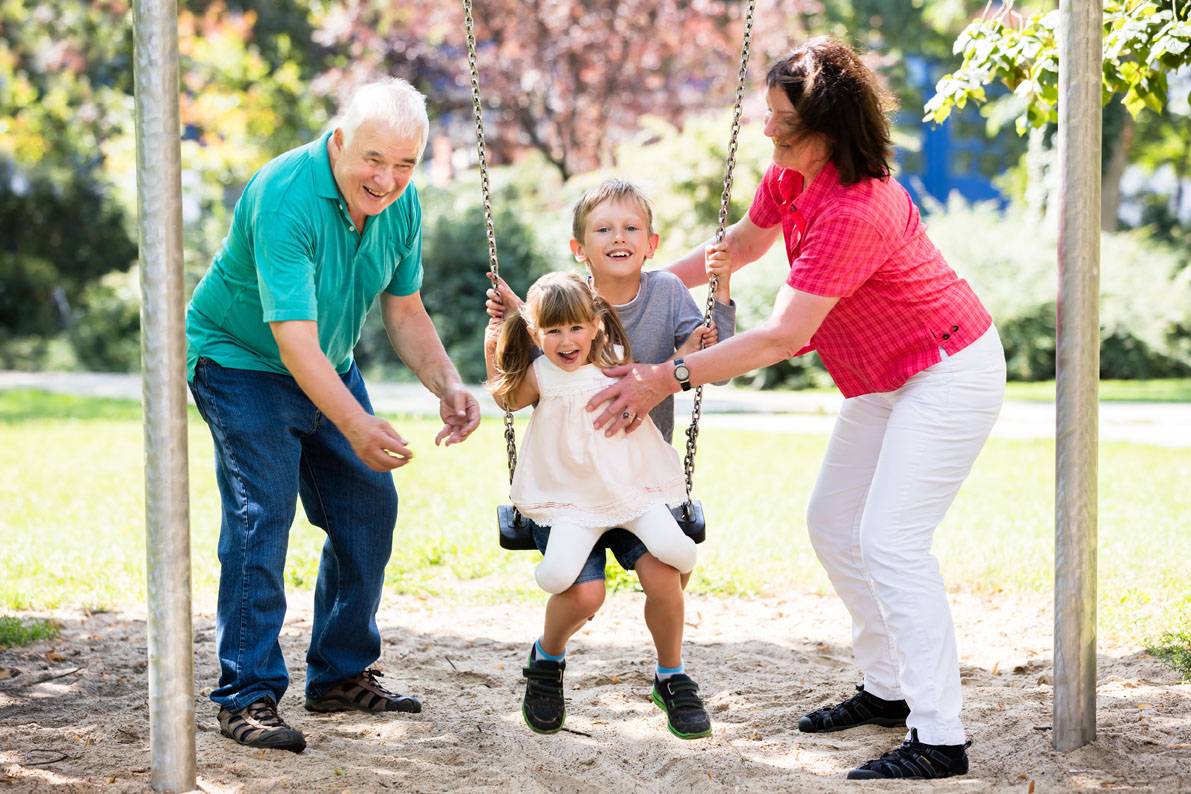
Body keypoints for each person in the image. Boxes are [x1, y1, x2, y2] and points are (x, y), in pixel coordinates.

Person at [589, 37, 1006, 780]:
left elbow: (782, 335)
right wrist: (623, 282)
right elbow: (741, 245)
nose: (768, 130)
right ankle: (886, 689)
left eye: (782, 119)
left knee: (890, 540)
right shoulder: (791, 177)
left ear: (827, 127)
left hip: (946, 370)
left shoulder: (858, 208)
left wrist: (664, 374)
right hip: (883, 377)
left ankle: (940, 736)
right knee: (832, 525)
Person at [186, 77, 481, 754]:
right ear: (339, 140)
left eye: (405, 165)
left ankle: (340, 675)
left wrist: (446, 382)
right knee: (262, 515)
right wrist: (353, 423)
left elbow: (404, 309)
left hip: (328, 361)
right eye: (374, 160)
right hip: (241, 362)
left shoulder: (401, 207)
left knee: (366, 508)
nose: (386, 180)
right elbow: (291, 338)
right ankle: (247, 695)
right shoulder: (285, 195)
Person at [485, 180, 736, 740]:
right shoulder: (561, 300)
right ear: (580, 246)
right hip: (569, 486)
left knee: (667, 576)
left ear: (652, 241)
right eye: (603, 229)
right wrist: (505, 326)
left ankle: (671, 674)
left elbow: (713, 353)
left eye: (630, 228)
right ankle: (547, 658)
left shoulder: (669, 291)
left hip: (640, 478)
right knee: (582, 593)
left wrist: (722, 287)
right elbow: (522, 370)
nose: (617, 238)